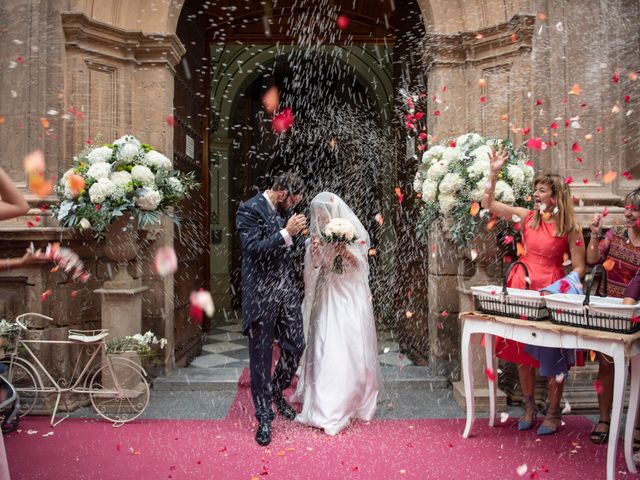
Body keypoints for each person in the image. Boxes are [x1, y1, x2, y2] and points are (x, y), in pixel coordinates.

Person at [482, 147, 586, 436]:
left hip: (552, 289)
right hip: (523, 285)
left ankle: (553, 412)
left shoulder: (571, 228)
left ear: (555, 196)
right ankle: (528, 408)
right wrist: (493, 173)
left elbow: (579, 269)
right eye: (536, 190)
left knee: (554, 352)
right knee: (521, 352)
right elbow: (488, 204)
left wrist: (559, 288)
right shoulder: (527, 217)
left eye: (541, 191)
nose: (536, 195)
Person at [291, 192, 379, 435]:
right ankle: (322, 404)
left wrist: (343, 249)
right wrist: (315, 251)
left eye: (322, 213)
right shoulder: (317, 238)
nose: (318, 217)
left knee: (344, 347)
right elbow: (319, 265)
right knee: (322, 345)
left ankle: (345, 400)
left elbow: (360, 267)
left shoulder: (352, 235)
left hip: (347, 296)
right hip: (327, 294)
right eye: (316, 213)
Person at [236, 172, 307, 446]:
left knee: (296, 344)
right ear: (281, 193)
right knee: (261, 357)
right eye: (292, 202)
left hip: (285, 291)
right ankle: (265, 417)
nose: (292, 207)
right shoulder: (249, 209)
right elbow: (253, 249)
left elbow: (289, 247)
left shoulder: (282, 210)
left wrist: (301, 237)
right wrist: (286, 232)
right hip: (260, 294)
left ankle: (277, 391)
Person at [586, 187, 640, 447]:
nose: (629, 214)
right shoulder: (615, 235)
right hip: (610, 313)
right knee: (606, 366)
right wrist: (595, 235)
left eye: (635, 210)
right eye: (627, 208)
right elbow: (592, 259)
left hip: (637, 316)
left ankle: (638, 428)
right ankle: (605, 420)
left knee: (638, 371)